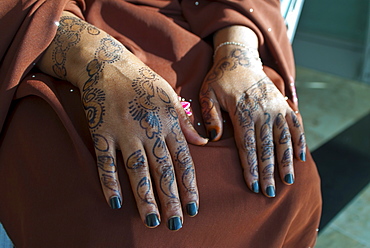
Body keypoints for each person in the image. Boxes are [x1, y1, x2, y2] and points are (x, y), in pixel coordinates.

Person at [0, 0, 322, 247]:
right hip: (58, 31)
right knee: (117, 217)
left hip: (195, 27)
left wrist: (238, 52)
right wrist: (96, 60)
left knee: (291, 178)